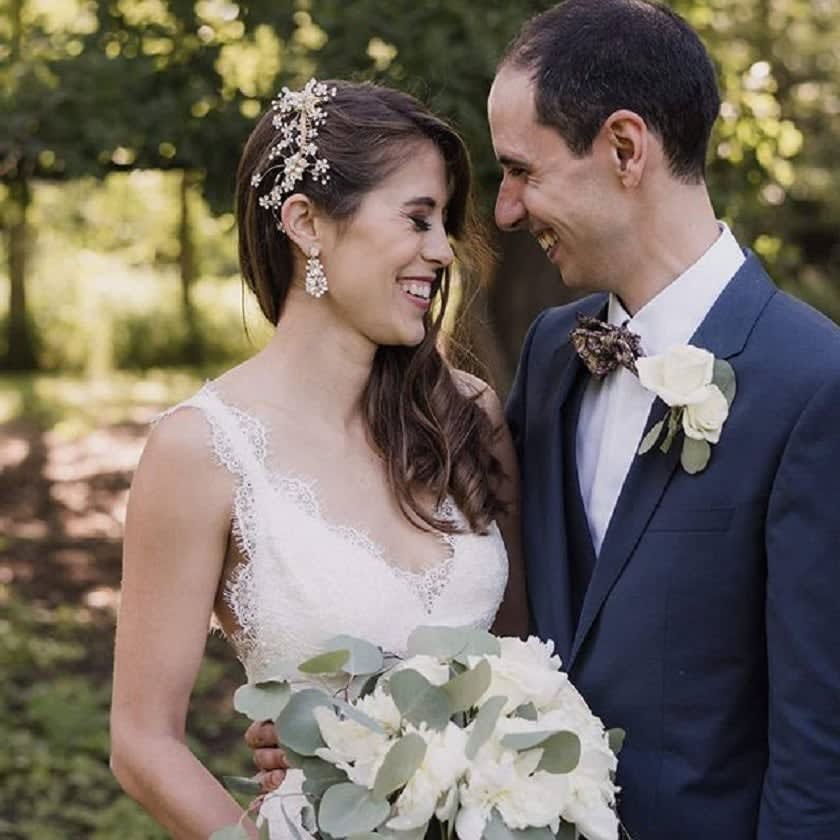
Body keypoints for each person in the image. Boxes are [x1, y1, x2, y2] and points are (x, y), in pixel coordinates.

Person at [251, 3, 840, 838]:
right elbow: (487, 608)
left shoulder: (815, 386)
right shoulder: (556, 354)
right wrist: (346, 736)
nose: (505, 212)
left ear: (625, 149)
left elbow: (821, 754)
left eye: (522, 171)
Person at [109, 79, 528, 839]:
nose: (442, 251)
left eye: (443, 223)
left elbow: (528, 660)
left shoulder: (466, 418)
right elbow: (143, 744)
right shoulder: (200, 451)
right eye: (418, 218)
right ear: (306, 223)